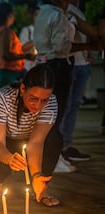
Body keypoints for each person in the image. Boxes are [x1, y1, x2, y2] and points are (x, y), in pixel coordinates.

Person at [33, 0, 103, 173]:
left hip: (48, 66)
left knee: (51, 116)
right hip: (57, 67)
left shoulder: (46, 12)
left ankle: (51, 157)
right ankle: (52, 160)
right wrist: (90, 46)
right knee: (55, 116)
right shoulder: (58, 15)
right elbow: (61, 47)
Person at [0, 64, 60, 207]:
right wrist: (8, 158)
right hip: (7, 141)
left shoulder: (51, 103)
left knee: (54, 138)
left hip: (31, 142)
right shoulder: (4, 97)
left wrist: (36, 175)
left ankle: (41, 187)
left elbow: (36, 143)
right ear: (23, 89)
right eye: (33, 98)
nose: (38, 106)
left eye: (44, 100)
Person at [60, 0, 92, 162]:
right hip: (71, 64)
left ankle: (66, 145)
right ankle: (60, 148)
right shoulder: (64, 9)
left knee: (73, 106)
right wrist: (91, 46)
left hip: (83, 63)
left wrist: (89, 51)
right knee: (65, 106)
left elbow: (83, 33)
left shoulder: (77, 10)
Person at [0, 2, 36, 91]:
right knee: (7, 102)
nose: (14, 16)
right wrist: (26, 56)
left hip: (2, 70)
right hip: (5, 71)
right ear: (9, 15)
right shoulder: (5, 31)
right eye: (13, 13)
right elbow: (5, 54)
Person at [19, 6, 40, 72]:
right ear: (33, 17)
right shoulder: (27, 30)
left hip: (43, 68)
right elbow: (22, 48)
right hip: (29, 69)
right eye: (36, 15)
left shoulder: (48, 32)